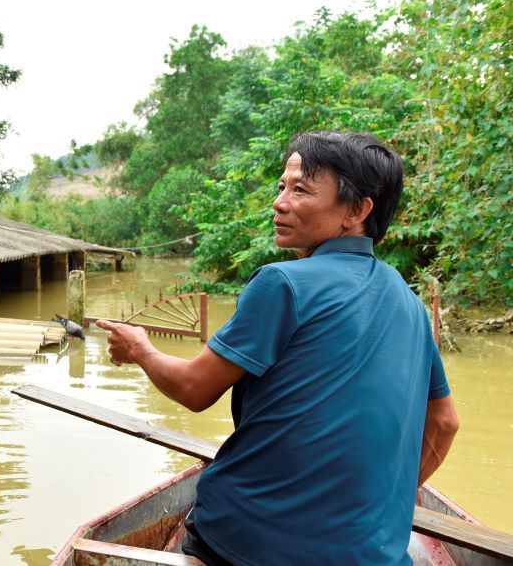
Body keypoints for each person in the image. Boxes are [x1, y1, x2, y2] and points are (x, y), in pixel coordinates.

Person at [97, 131, 459, 565]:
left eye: (301, 189)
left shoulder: (283, 283)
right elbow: (445, 424)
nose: (280, 202)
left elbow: (194, 390)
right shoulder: (410, 302)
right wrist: (378, 507)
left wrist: (141, 350)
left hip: (251, 542)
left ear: (357, 210)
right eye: (282, 187)